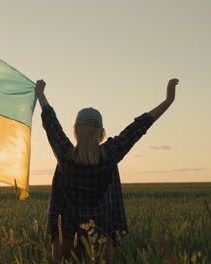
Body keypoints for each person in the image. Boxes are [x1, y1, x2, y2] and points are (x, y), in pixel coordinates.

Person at [35, 78, 179, 263]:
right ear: (101, 132)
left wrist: (41, 94)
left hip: (67, 233)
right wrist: (168, 101)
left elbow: (51, 123)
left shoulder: (65, 154)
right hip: (101, 233)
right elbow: (138, 127)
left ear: (76, 131)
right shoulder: (110, 154)